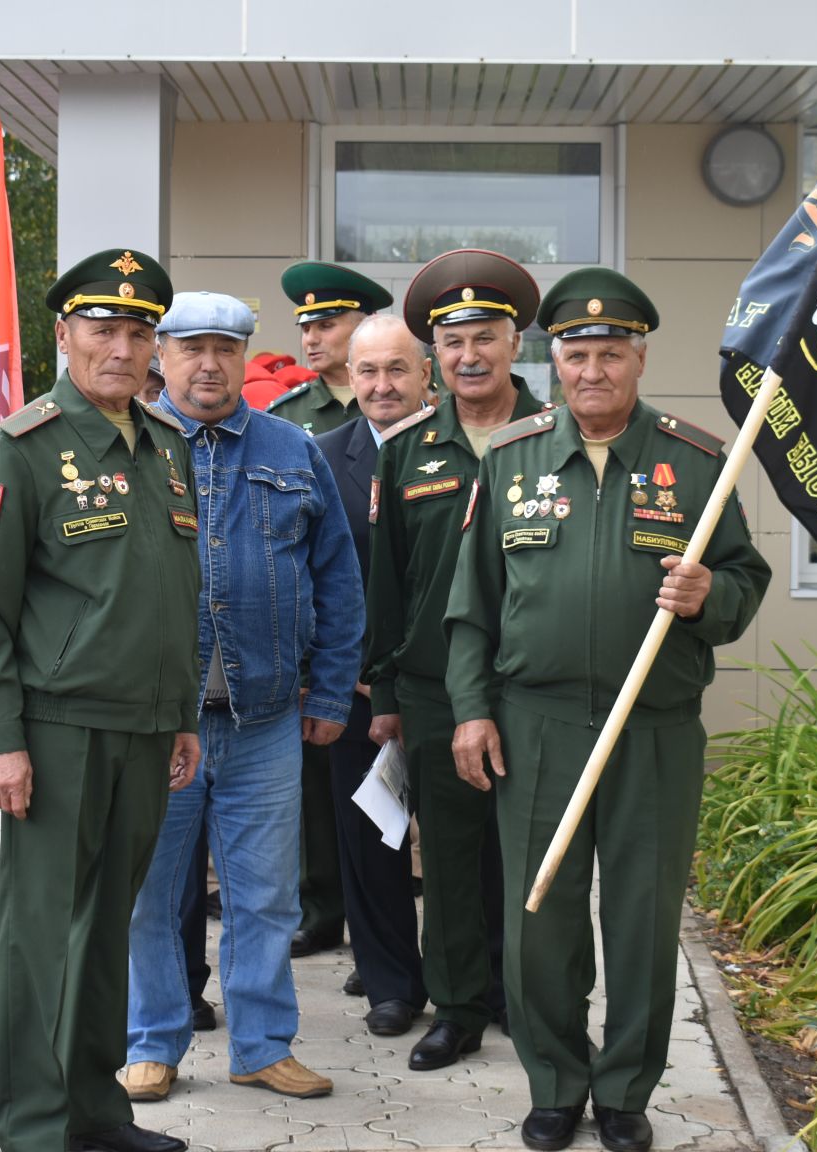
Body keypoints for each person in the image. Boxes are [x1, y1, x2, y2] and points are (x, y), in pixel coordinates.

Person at [444, 268, 771, 1152]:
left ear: (639, 358)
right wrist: (471, 712)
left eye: (611, 354)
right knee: (539, 918)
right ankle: (555, 1083)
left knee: (642, 915)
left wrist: (710, 593)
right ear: (554, 359)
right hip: (535, 726)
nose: (593, 371)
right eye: (576, 354)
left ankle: (625, 1091)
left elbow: (746, 579)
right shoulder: (511, 459)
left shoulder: (696, 461)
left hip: (653, 730)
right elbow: (471, 605)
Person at [0, 248, 201, 1152]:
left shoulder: (166, 447)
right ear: (65, 335)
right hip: (54, 731)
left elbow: (170, 591)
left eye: (140, 332)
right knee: (43, 938)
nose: (123, 348)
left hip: (142, 729)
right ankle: (34, 1124)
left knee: (106, 937)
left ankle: (96, 1112)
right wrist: (0, 740)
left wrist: (178, 716)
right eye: (104, 329)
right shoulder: (22, 450)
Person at [122, 290, 362, 1106]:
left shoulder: (294, 449)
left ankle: (262, 1045)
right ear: (163, 356)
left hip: (266, 717)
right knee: (152, 891)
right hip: (162, 720)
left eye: (226, 348)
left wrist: (330, 689)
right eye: (192, 348)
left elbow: (338, 578)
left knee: (266, 896)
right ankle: (152, 1041)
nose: (210, 364)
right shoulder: (132, 448)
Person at [364, 248, 548, 1071]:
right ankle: (460, 1006)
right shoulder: (405, 451)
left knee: (538, 850)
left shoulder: (559, 435)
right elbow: (390, 580)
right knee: (448, 852)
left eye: (485, 337)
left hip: (536, 686)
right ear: (434, 354)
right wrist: (387, 692)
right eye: (452, 341)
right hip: (439, 688)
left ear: (515, 344)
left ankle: (534, 999)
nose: (468, 355)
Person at [267, 260, 393, 961]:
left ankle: (386, 921)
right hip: (319, 639)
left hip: (395, 637)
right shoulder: (289, 420)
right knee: (319, 785)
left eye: (328, 323)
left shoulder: (399, 412)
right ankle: (323, 909)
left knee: (388, 795)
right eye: (306, 326)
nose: (313, 337)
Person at [314, 314, 432, 1037]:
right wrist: (340, 669)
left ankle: (474, 981)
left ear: (428, 376)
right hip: (353, 690)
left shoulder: (466, 454)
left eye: (397, 370)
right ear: (349, 378)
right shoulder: (319, 457)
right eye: (368, 371)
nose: (382, 385)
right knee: (370, 841)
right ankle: (392, 982)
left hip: (448, 691)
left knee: (460, 848)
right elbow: (308, 575)